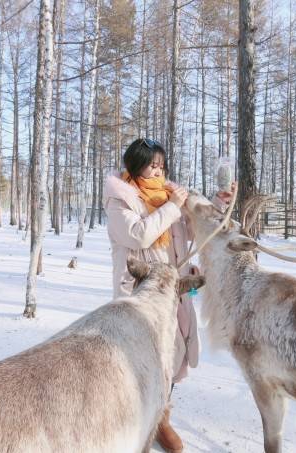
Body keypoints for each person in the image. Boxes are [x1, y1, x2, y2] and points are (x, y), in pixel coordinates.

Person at [103, 138, 232, 453]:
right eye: (151, 165)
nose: (157, 170)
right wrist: (174, 206)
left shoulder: (168, 197)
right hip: (141, 293)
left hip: (172, 289)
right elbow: (139, 234)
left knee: (172, 354)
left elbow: (186, 232)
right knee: (140, 359)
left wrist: (219, 202)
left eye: (161, 164)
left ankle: (160, 418)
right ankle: (137, 420)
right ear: (135, 166)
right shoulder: (120, 199)